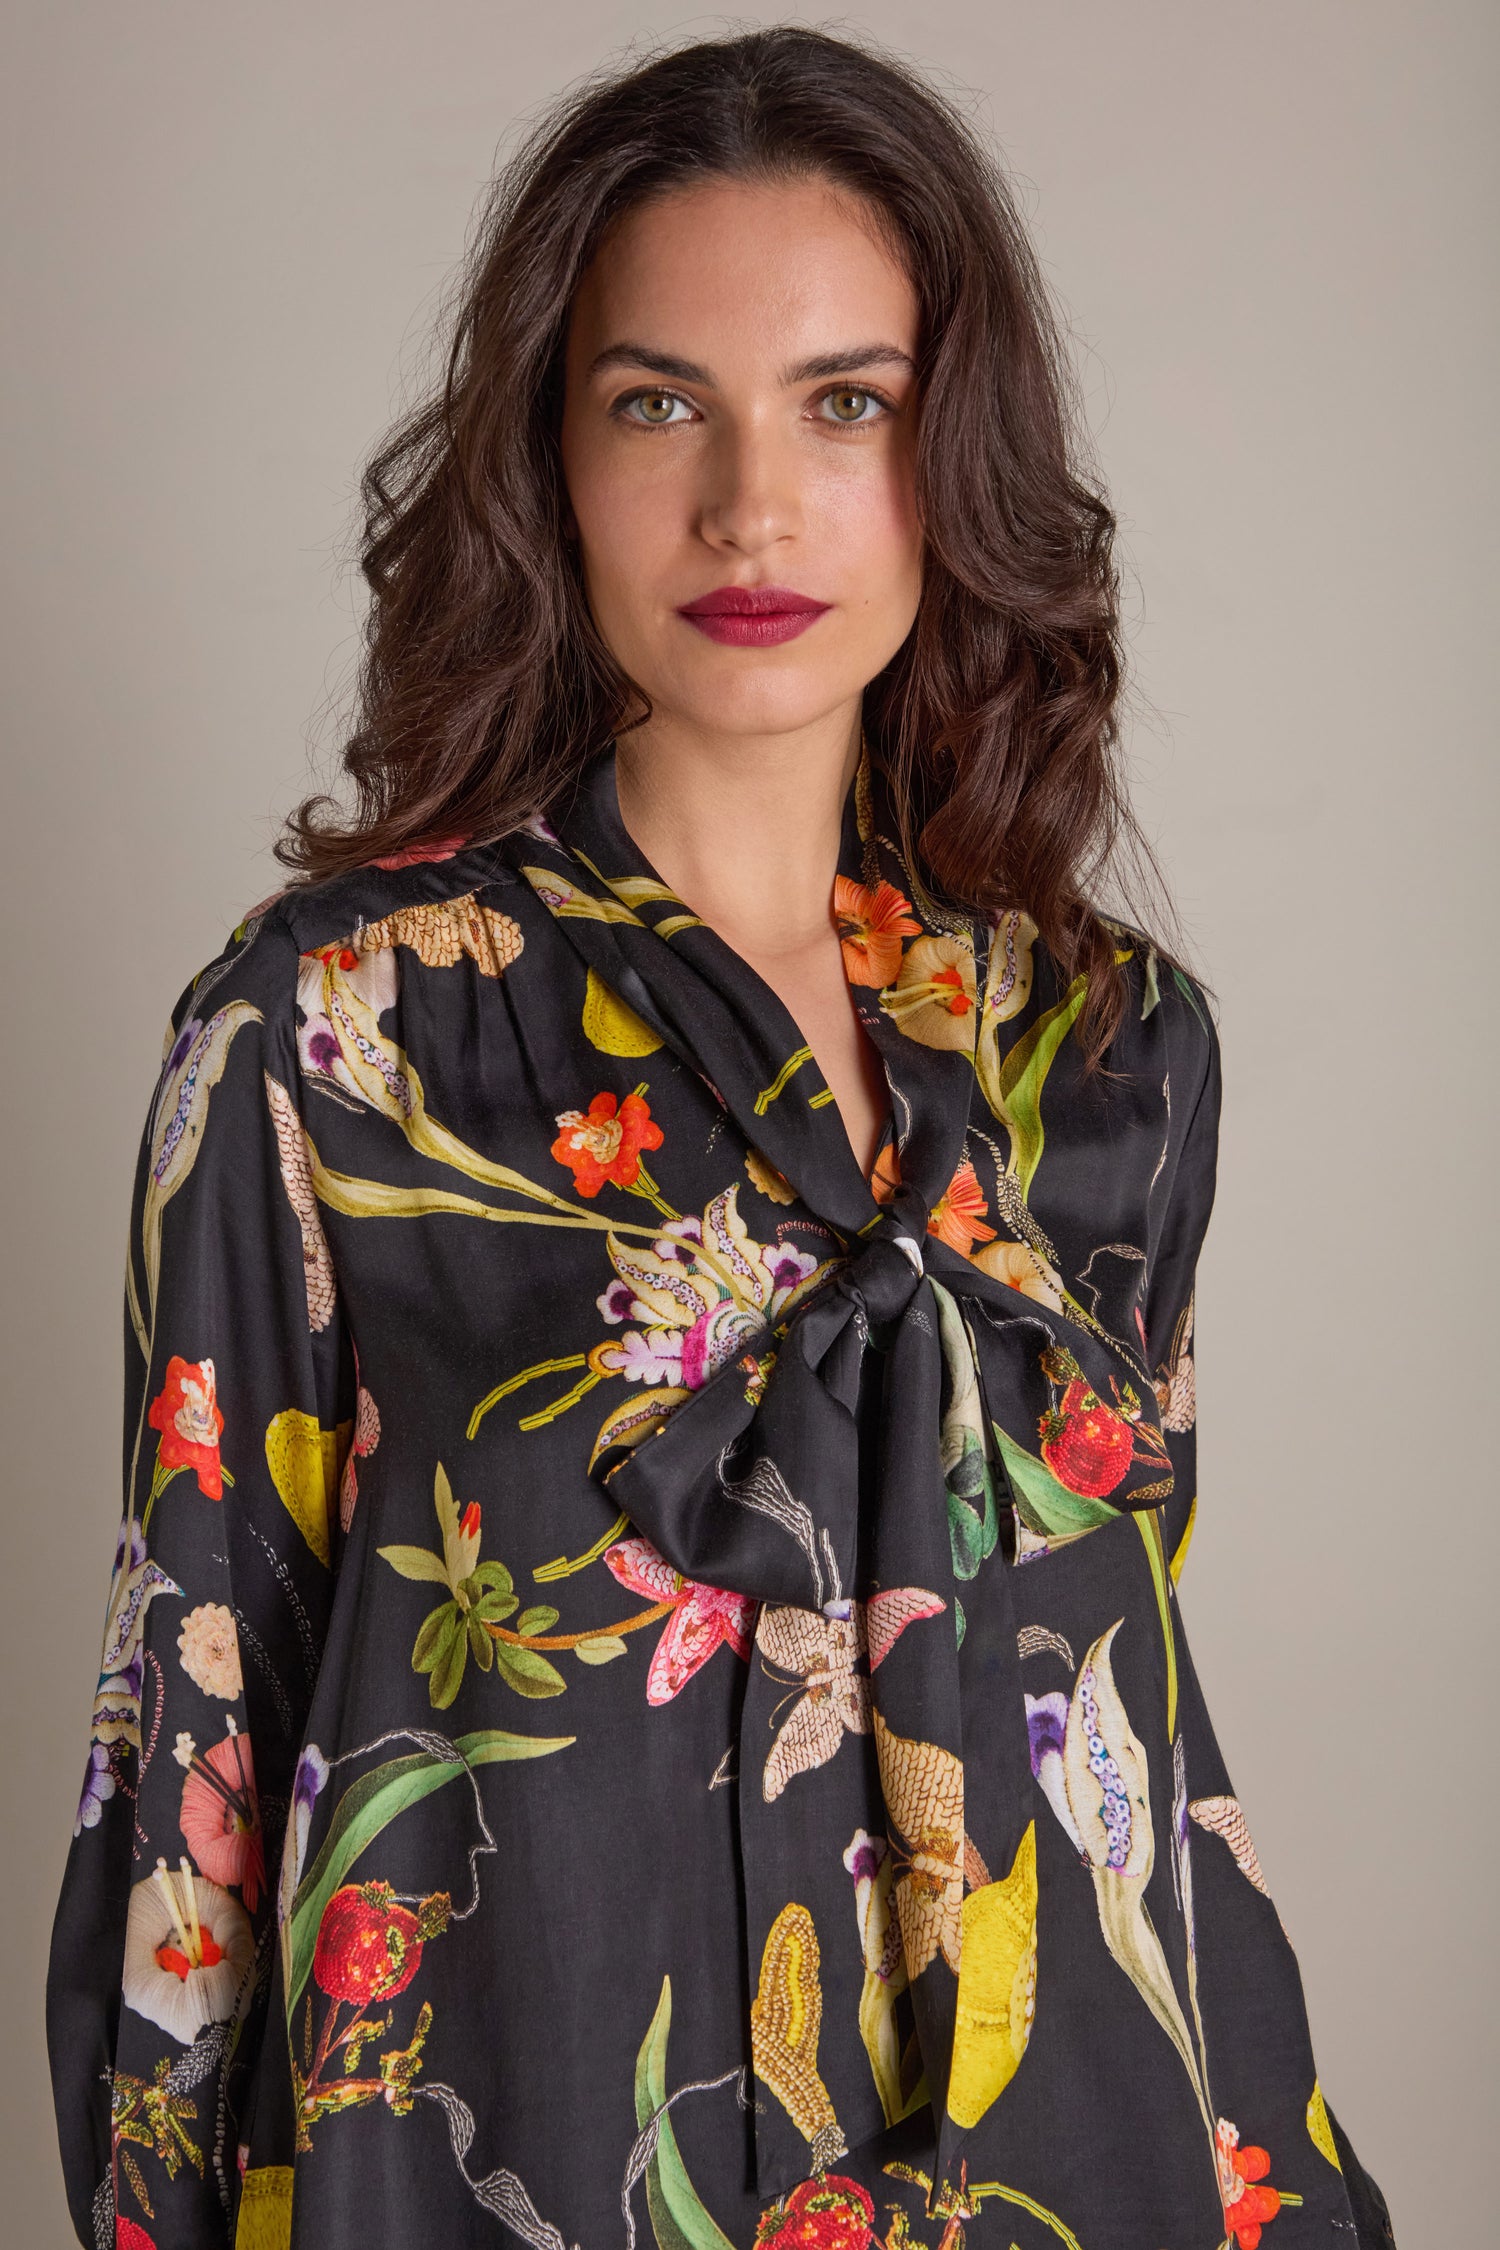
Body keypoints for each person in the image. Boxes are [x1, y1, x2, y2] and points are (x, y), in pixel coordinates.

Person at [44, 26, 1396, 2250]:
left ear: (949, 459)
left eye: (843, 405)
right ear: (550, 464)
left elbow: (1113, 1728)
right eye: (657, 403)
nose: (751, 507)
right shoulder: (330, 1034)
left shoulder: (1117, 1056)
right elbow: (179, 1777)